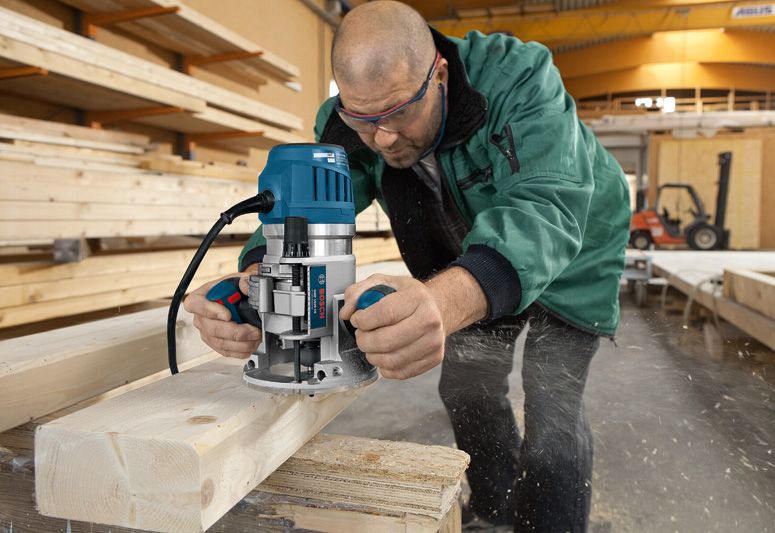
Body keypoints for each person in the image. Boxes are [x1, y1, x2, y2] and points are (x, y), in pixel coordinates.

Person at [184, 2, 630, 531]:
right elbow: (304, 208)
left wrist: (441, 302)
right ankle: (494, 512)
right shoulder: (356, 123)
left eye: (397, 112)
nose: (384, 138)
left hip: (576, 247)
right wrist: (258, 278)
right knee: (467, 386)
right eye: (364, 120)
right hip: (475, 248)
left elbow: (546, 206)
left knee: (551, 407)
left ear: (438, 73)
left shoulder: (518, 79)